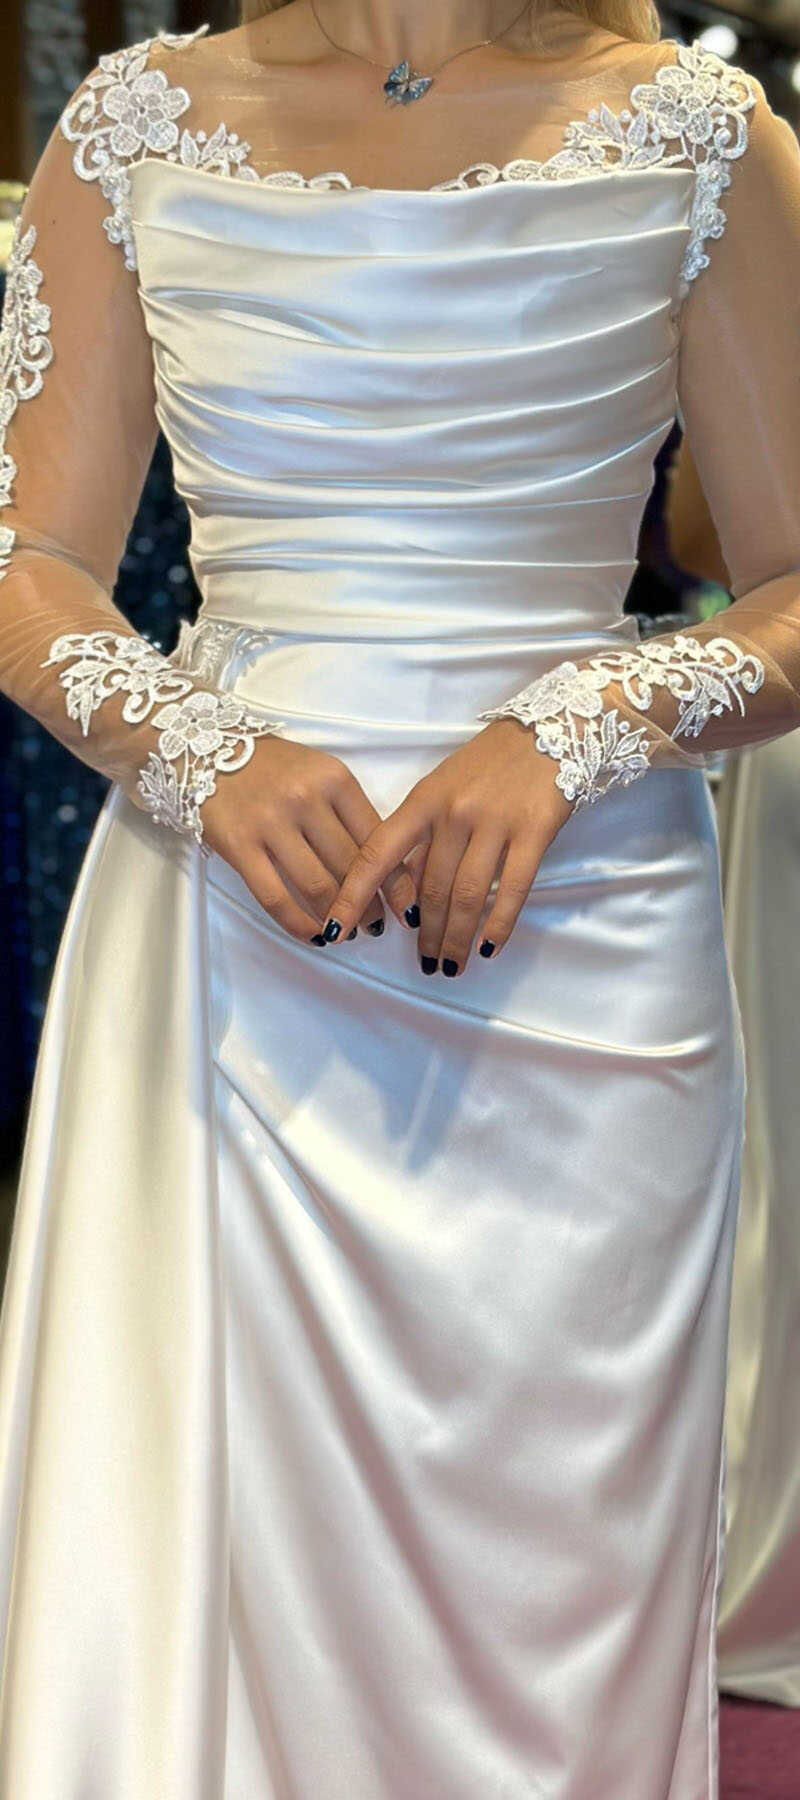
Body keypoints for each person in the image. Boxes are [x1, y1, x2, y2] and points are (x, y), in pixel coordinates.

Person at [0, 2, 798, 1793]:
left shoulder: (701, 136)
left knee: (558, 1560)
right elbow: (27, 555)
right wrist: (188, 745)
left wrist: (582, 722)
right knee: (215, 1561)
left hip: (583, 945)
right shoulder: (133, 126)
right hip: (225, 923)